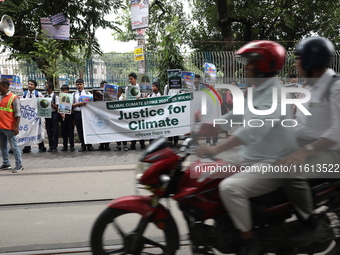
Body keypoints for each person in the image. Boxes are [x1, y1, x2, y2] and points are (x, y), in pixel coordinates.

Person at [197, 40, 298, 255]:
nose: (246, 67)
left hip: (275, 161)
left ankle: (249, 241)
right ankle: (224, 223)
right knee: (205, 171)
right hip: (254, 156)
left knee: (230, 188)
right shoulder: (259, 90)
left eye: (251, 63)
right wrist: (210, 126)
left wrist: (216, 148)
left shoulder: (274, 93)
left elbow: (251, 130)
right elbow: (239, 114)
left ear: (264, 65)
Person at [278, 36, 340, 226]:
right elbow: (301, 121)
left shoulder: (335, 87)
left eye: (298, 59)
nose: (296, 64)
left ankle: (308, 222)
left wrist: (305, 152)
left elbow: (337, 131)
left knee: (288, 170)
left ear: (310, 61)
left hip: (330, 151)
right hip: (305, 143)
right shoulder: (311, 85)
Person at [0, 78, 24, 173]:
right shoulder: (1, 97)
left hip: (9, 127)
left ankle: (19, 164)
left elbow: (18, 114)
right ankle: (6, 163)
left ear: (4, 86)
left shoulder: (13, 98)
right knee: (2, 146)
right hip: (1, 126)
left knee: (14, 146)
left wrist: (16, 126)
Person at [22, 79, 47, 153]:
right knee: (27, 131)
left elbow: (43, 105)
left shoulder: (38, 94)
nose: (29, 85)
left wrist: (43, 117)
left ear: (35, 86)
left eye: (31, 84)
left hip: (37, 116)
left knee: (38, 130)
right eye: (29, 84)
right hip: (27, 116)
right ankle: (27, 146)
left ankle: (41, 146)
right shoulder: (24, 93)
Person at [72, 79, 95, 152]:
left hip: (86, 113)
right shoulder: (73, 95)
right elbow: (70, 105)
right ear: (75, 85)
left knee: (88, 129)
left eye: (80, 84)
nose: (79, 86)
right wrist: (79, 104)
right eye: (77, 84)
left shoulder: (88, 94)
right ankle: (83, 145)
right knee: (80, 129)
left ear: (83, 85)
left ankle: (89, 145)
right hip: (77, 113)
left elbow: (92, 104)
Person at [127, 72, 146, 150]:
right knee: (133, 127)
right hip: (132, 110)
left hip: (140, 110)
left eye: (131, 79)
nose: (130, 81)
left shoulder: (140, 87)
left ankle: (142, 144)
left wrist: (140, 98)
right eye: (129, 79)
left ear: (135, 79)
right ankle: (133, 144)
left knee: (141, 127)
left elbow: (145, 97)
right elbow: (127, 99)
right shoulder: (127, 88)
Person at [44, 82, 59, 152]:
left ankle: (55, 146)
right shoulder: (45, 96)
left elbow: (58, 108)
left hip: (54, 114)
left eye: (46, 86)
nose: (45, 88)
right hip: (47, 114)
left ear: (50, 88)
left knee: (55, 130)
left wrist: (52, 104)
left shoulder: (55, 97)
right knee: (48, 130)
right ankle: (50, 146)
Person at [59, 84, 75, 151]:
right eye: (63, 90)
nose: (64, 91)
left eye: (65, 90)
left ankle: (72, 145)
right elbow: (58, 107)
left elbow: (73, 107)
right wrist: (61, 114)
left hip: (70, 115)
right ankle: (65, 145)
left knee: (71, 131)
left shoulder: (71, 97)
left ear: (68, 90)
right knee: (64, 131)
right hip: (63, 116)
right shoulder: (60, 98)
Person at [114, 86, 128, 152]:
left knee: (124, 132)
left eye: (117, 91)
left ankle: (125, 145)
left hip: (122, 118)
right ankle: (118, 145)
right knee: (117, 132)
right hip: (115, 118)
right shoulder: (113, 99)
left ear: (120, 92)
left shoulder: (123, 99)